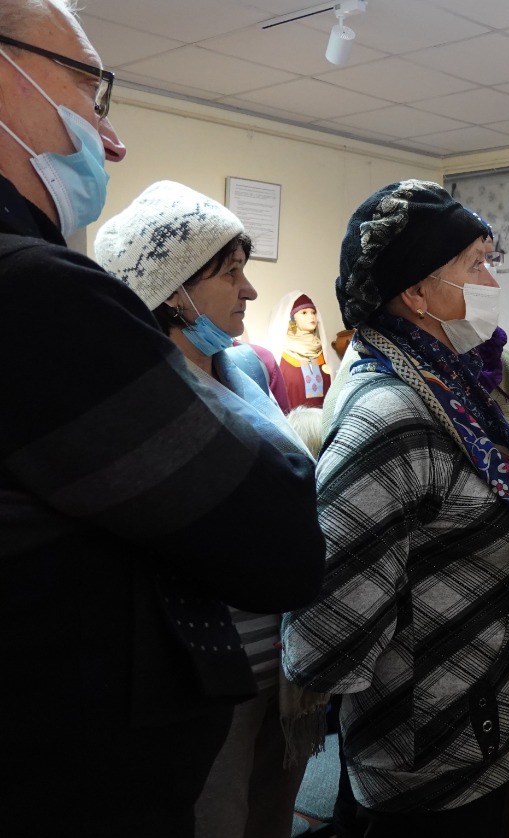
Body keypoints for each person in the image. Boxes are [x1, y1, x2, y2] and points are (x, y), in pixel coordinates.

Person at [0, 4, 324, 836]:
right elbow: (282, 536)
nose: (108, 138)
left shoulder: (238, 368)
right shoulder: (38, 293)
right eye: (90, 88)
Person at [281, 180, 509, 838]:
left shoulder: (450, 384)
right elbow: (327, 630)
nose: (492, 281)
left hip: (474, 738)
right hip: (428, 759)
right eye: (476, 265)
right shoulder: (390, 415)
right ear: (417, 292)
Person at [94, 180, 318, 838]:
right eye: (230, 273)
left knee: (273, 816)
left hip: (282, 655)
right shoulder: (144, 393)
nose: (249, 289)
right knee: (214, 819)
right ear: (173, 291)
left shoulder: (243, 371)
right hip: (207, 668)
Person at [271, 292, 331, 410]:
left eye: (313, 312)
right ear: (292, 319)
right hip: (293, 419)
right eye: (304, 312)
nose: (311, 316)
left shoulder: (324, 353)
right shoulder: (282, 355)